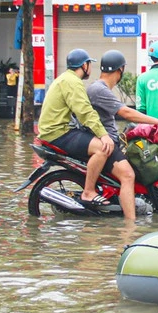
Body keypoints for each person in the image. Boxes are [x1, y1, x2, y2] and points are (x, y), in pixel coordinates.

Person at [78, 50, 158, 221]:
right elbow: (126, 113)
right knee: (128, 175)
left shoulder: (99, 88)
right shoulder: (99, 89)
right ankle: (130, 225)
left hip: (110, 141)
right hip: (105, 144)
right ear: (120, 70)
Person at [36, 48, 114, 204]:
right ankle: (89, 192)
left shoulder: (64, 78)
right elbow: (85, 112)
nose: (91, 68)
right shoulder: (73, 82)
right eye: (89, 64)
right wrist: (104, 135)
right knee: (101, 148)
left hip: (55, 131)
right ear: (84, 66)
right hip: (58, 133)